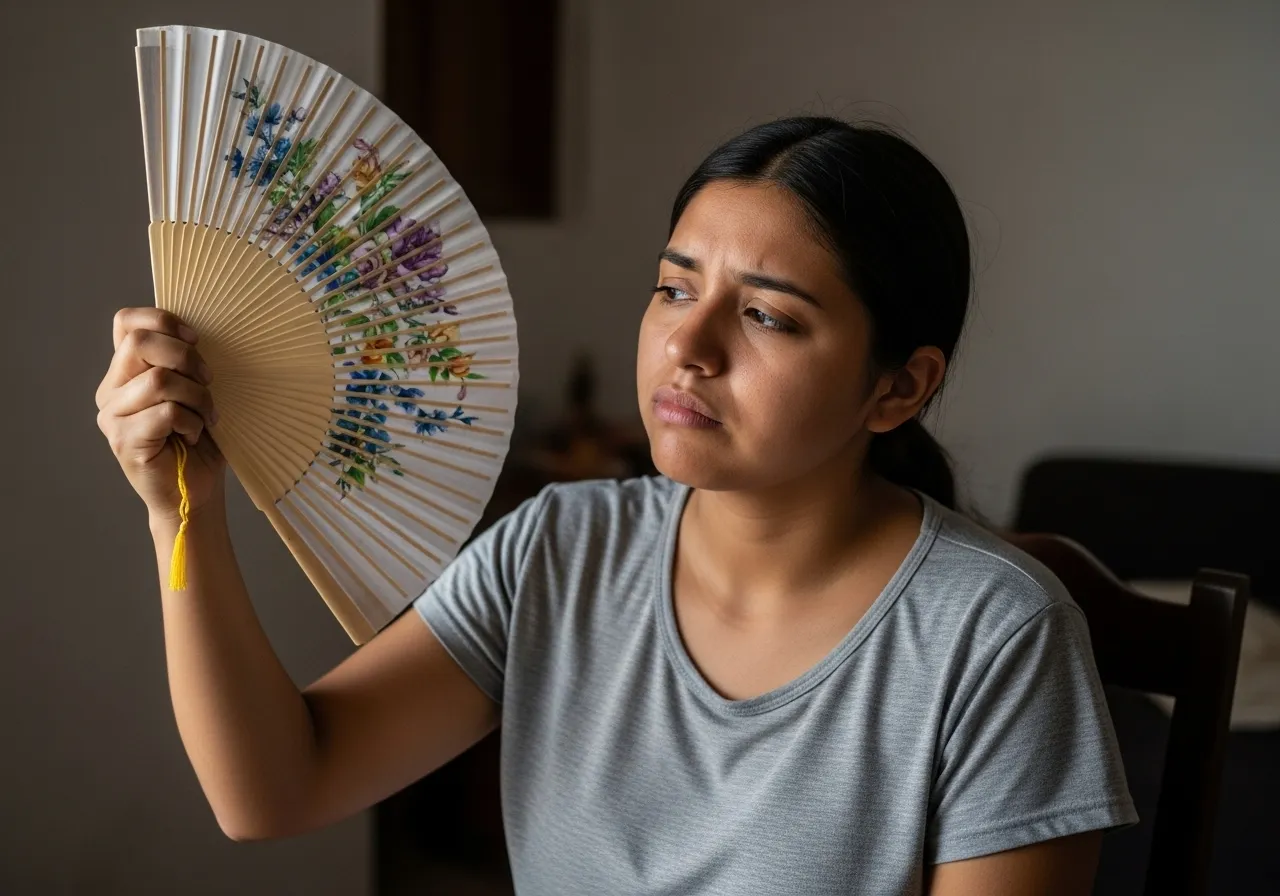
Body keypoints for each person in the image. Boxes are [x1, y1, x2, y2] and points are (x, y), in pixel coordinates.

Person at [95, 116, 1136, 895]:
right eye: (674, 287)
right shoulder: (560, 547)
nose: (687, 345)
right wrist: (179, 513)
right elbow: (274, 788)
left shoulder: (994, 635)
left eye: (766, 315)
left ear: (897, 386)